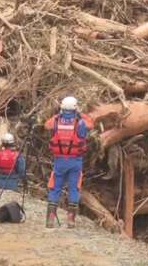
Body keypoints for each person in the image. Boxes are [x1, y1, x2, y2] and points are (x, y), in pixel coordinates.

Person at [44, 96, 93, 228]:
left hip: (59, 160)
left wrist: (58, 115)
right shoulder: (80, 123)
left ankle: (50, 220)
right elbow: (90, 124)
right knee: (74, 188)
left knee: (55, 188)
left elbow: (46, 124)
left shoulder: (55, 121)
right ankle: (71, 220)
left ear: (62, 108)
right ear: (75, 108)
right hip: (75, 161)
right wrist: (80, 114)